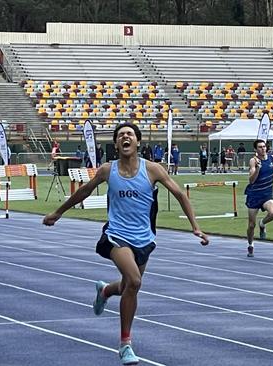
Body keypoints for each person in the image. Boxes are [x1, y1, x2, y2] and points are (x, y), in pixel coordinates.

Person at [43, 122, 209, 365]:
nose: (125, 137)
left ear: (138, 142)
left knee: (128, 286)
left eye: (130, 134)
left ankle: (106, 290)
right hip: (116, 235)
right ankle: (125, 345)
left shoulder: (153, 170)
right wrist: (58, 213)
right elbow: (84, 192)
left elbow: (180, 194)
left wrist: (195, 227)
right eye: (120, 135)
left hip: (144, 237)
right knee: (135, 281)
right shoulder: (107, 170)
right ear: (116, 144)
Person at [244, 139, 273, 257]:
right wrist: (258, 169)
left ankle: (262, 223)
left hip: (267, 195)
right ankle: (250, 245)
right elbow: (251, 180)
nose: (263, 149)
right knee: (251, 225)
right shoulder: (253, 161)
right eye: (260, 147)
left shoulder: (272, 158)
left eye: (264, 146)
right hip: (254, 195)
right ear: (255, 149)